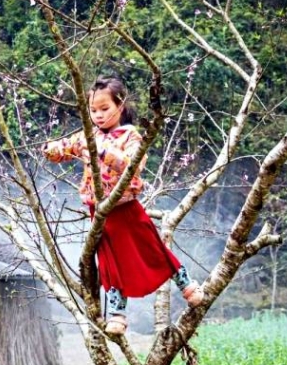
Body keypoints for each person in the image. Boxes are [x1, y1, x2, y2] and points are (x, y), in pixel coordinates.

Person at [42, 77, 203, 335]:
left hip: (125, 206)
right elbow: (63, 149)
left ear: (120, 105)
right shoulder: (88, 135)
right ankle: (117, 315)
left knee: (153, 247)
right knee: (109, 263)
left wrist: (101, 150)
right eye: (93, 110)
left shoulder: (130, 135)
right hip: (99, 210)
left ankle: (188, 286)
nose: (98, 115)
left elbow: (133, 165)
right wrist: (50, 149)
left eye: (104, 109)